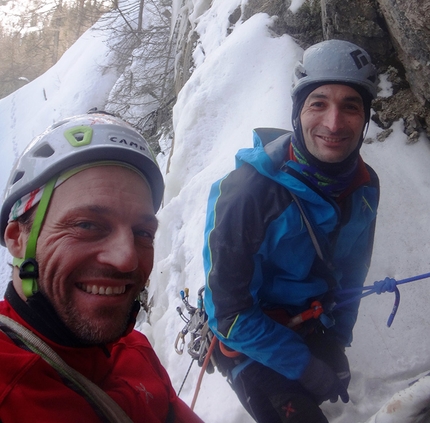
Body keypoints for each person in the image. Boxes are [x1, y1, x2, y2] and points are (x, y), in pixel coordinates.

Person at [203, 39, 380, 423]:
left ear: (365, 118)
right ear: (298, 111)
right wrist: (305, 367)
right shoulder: (248, 194)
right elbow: (230, 314)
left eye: (351, 106)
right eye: (318, 103)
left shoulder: (364, 185)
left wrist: (336, 339)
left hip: (310, 321)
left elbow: (352, 271)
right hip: (247, 338)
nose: (334, 123)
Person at [0, 111, 204, 423]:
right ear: (18, 238)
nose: (127, 259)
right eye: (86, 224)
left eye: (143, 233)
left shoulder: (133, 349)